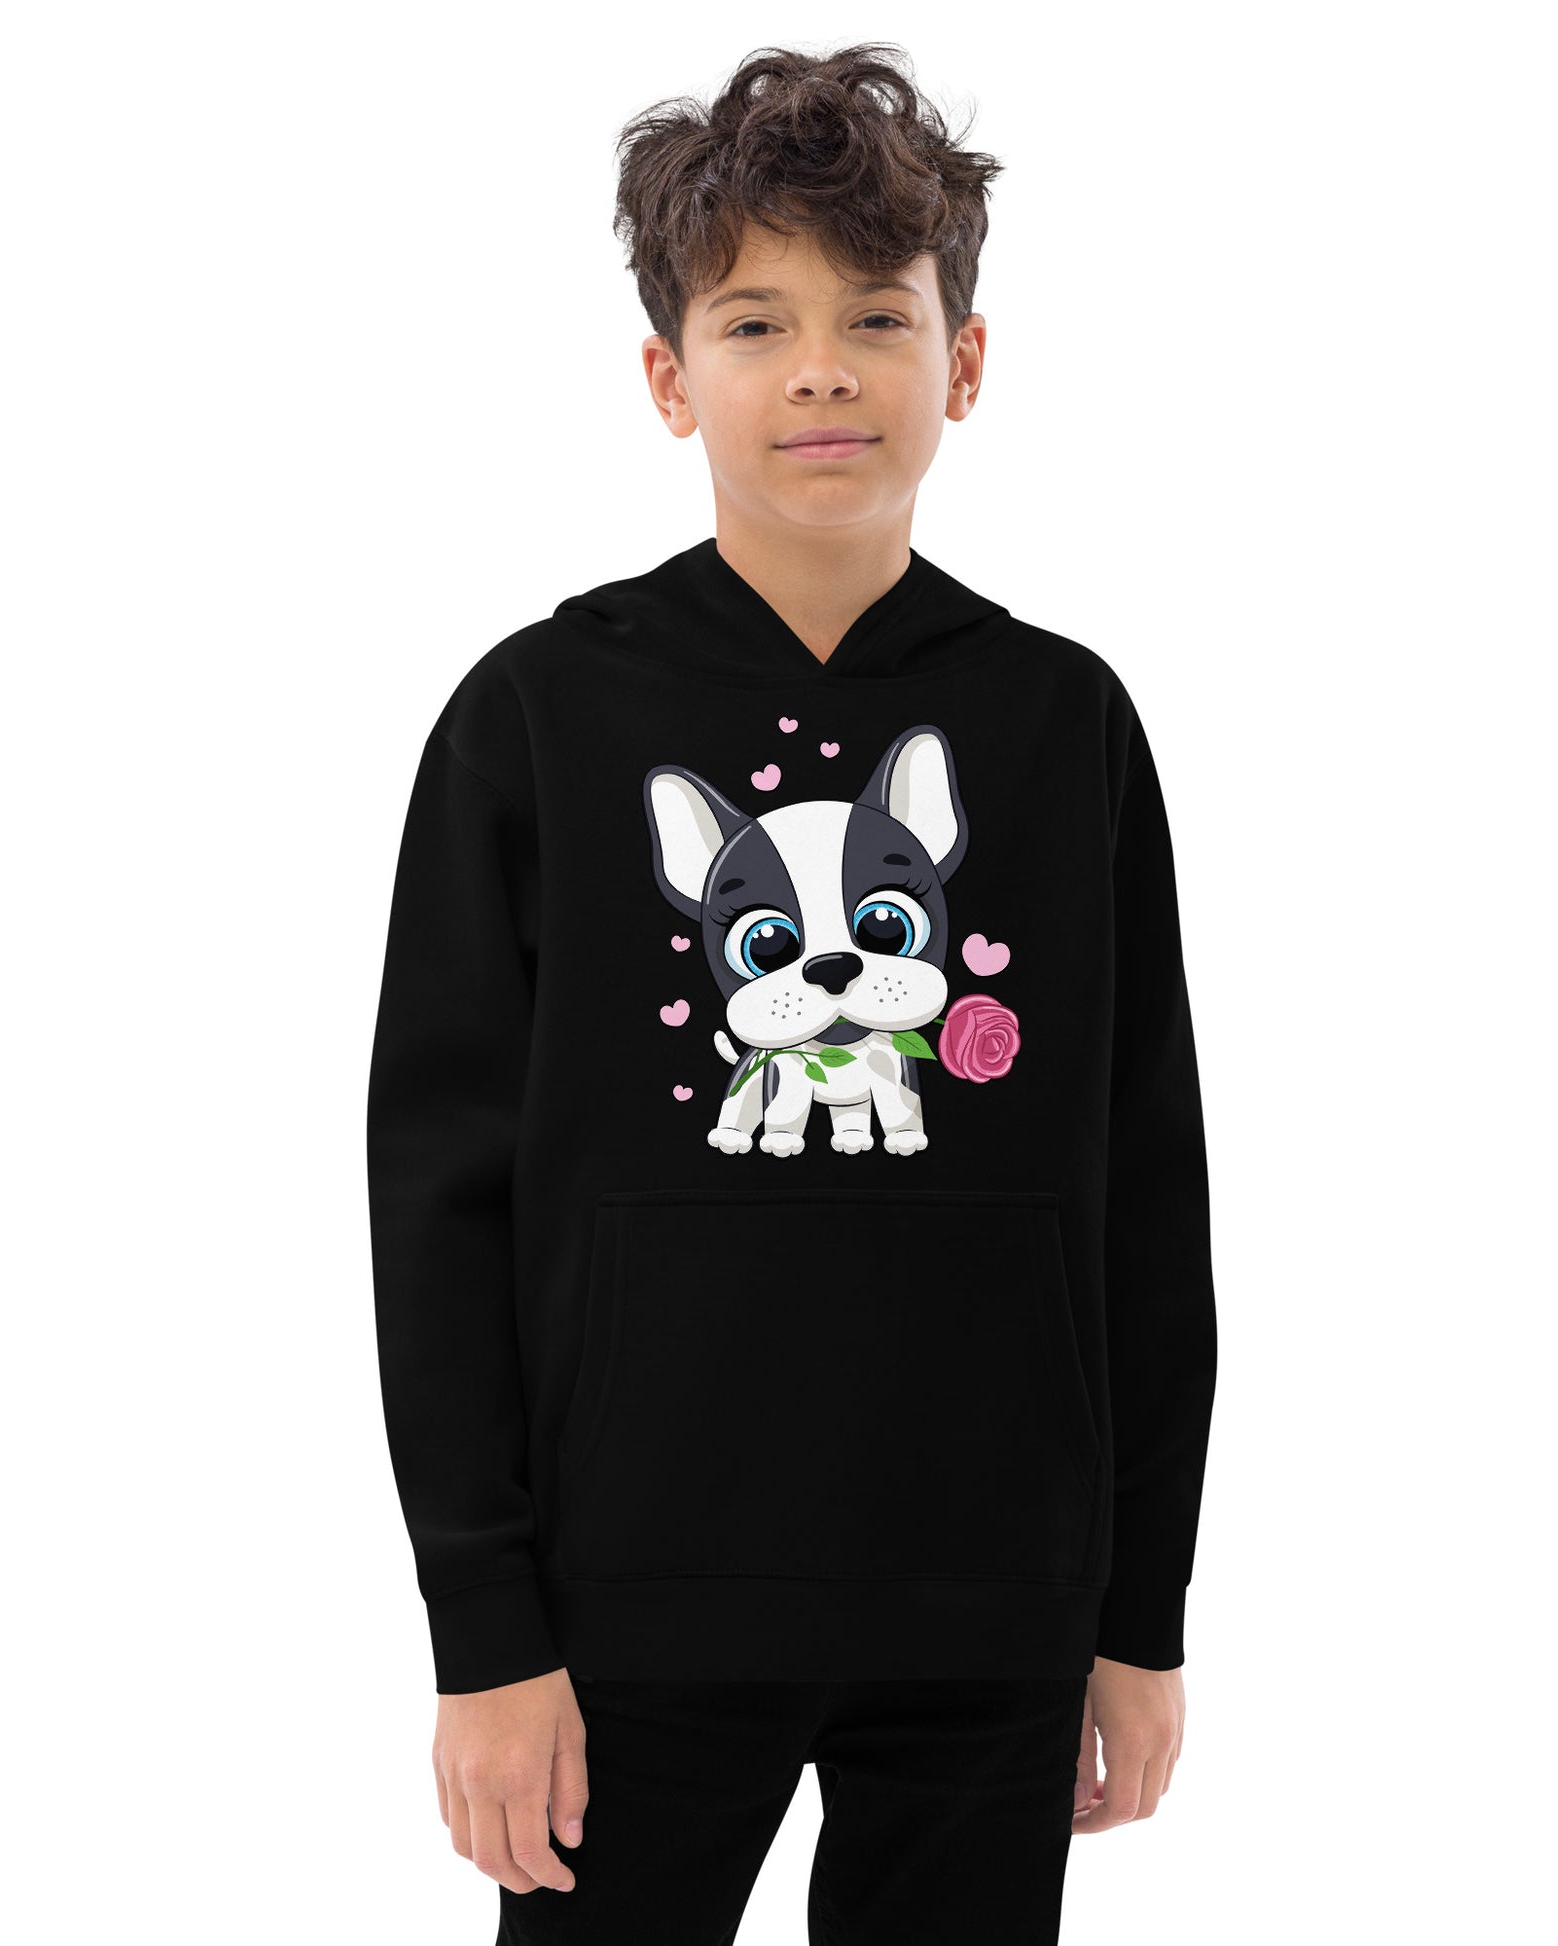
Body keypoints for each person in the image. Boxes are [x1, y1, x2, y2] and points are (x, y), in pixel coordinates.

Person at [365, 41, 1218, 1945]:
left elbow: (1147, 1187)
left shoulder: (1063, 722)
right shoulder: (538, 717)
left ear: (962, 363)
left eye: (874, 316)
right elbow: (436, 1202)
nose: (820, 367)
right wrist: (484, 1627)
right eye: (755, 321)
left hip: (989, 1607)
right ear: (671, 378)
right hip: (625, 1610)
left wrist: (1137, 1608)